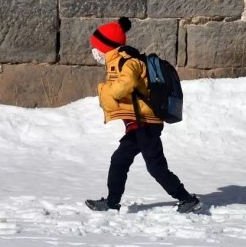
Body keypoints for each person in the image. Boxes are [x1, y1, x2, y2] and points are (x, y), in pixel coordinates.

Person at [84, 17, 203, 214]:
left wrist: (104, 90)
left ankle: (187, 199)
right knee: (119, 160)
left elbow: (124, 86)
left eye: (96, 47)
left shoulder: (130, 63)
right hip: (137, 124)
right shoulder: (119, 62)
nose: (93, 51)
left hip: (146, 124)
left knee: (155, 166)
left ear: (106, 47)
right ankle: (112, 203)